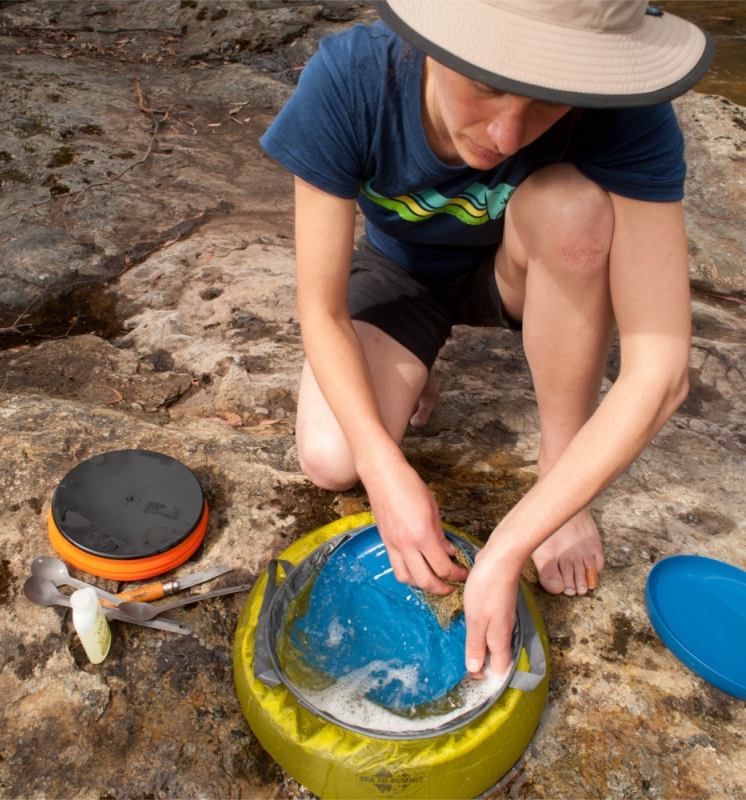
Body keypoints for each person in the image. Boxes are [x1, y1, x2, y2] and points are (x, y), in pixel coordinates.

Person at [260, 0, 714, 678]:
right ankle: (413, 358)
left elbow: (662, 369)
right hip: (401, 276)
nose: (506, 134)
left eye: (547, 103)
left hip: (524, 269)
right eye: (487, 85)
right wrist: (385, 471)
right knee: (333, 459)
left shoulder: (620, 108)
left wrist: (510, 543)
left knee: (575, 209)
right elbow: (319, 312)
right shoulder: (351, 80)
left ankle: (562, 468)